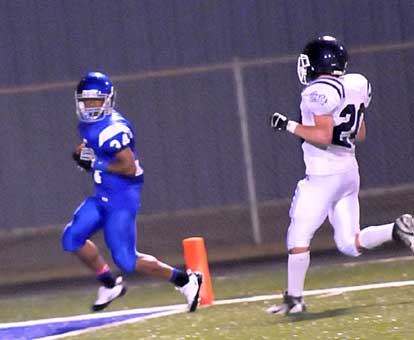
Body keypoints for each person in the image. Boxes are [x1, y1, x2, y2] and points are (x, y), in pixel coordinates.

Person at [267, 35, 414, 315]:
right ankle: (397, 229)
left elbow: (322, 136)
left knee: (297, 236)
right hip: (348, 171)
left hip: (323, 176)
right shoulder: (356, 84)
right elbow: (359, 132)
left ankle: (294, 300)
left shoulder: (317, 91)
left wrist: (287, 125)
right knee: (349, 243)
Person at [62, 71, 202, 312]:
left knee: (127, 259)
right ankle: (110, 284)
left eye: (96, 101)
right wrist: (82, 153)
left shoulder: (114, 128)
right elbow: (91, 144)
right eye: (86, 101)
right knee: (71, 238)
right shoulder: (90, 125)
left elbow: (127, 167)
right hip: (103, 194)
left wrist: (96, 163)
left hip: (121, 199)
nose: (90, 106)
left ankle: (186, 280)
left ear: (108, 100)